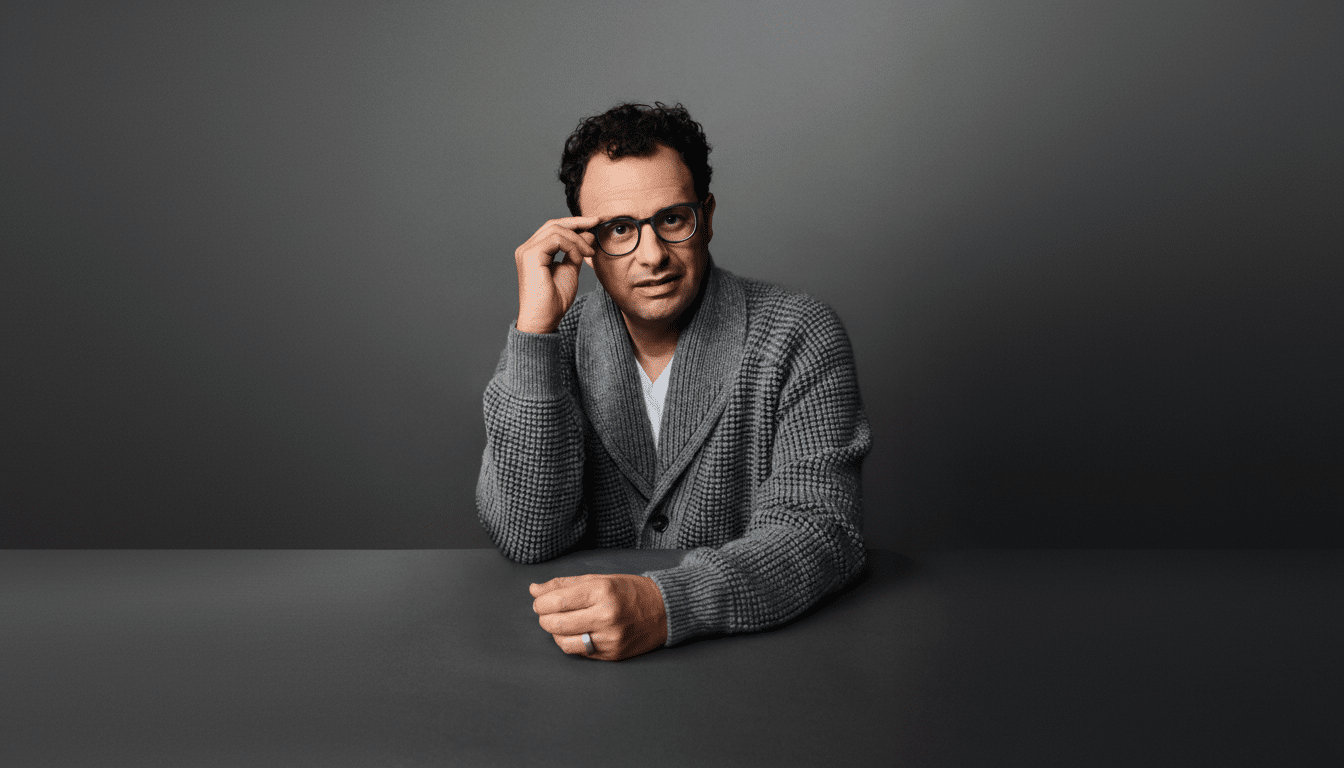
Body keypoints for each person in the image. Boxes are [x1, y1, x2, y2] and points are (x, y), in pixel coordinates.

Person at [477, 102, 870, 661]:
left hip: (749, 660)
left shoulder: (799, 333)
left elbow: (822, 532)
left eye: (673, 219)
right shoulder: (548, 344)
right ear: (585, 244)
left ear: (706, 217)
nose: (652, 255)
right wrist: (535, 331)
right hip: (577, 668)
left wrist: (668, 605)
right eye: (619, 229)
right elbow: (528, 535)